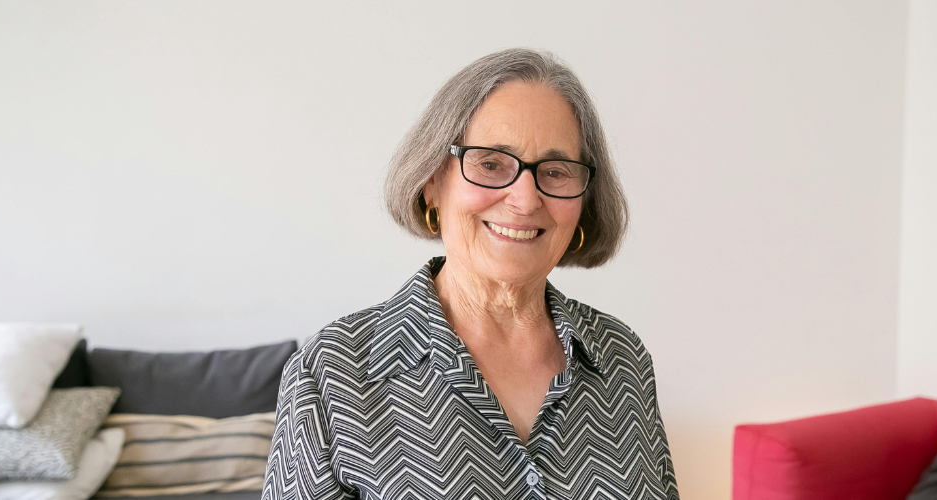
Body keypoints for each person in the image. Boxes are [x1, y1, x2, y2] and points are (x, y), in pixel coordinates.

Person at [262, 48, 679, 500]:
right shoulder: (332, 371)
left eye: (555, 171)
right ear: (432, 182)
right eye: (491, 164)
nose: (525, 200)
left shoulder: (623, 358)